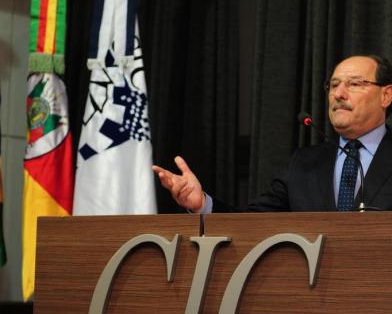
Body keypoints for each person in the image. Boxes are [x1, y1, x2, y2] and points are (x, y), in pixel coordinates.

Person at [152, 55, 392, 212]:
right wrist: (202, 204)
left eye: (354, 84)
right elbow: (254, 223)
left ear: (386, 95)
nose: (338, 94)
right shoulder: (305, 163)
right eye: (334, 84)